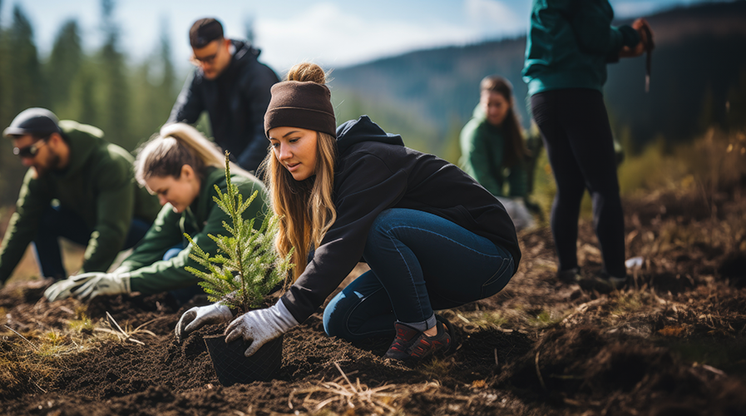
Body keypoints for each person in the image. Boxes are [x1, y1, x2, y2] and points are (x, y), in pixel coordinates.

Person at [176, 63, 521, 364]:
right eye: (276, 143)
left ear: (322, 135)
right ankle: (436, 331)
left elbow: (338, 247)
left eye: (293, 139)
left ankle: (422, 330)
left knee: (380, 227)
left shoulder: (368, 162)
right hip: (433, 266)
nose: (283, 154)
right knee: (339, 320)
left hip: (487, 256)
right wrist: (232, 303)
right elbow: (297, 253)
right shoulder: (311, 179)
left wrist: (279, 318)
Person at [42, 123, 268, 304]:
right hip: (233, 279)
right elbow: (150, 246)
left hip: (263, 282)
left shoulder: (234, 190)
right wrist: (115, 277)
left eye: (164, 191)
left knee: (172, 257)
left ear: (186, 173)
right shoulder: (184, 202)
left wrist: (126, 284)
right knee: (168, 255)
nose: (162, 201)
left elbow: (197, 260)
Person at [0, 108, 160, 306]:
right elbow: (22, 225)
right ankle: (54, 286)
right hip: (95, 226)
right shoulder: (39, 173)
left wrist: (79, 281)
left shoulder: (110, 163)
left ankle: (77, 287)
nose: (26, 161)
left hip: (140, 233)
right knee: (40, 217)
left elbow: (112, 230)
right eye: (19, 153)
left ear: (54, 140)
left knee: (114, 235)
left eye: (30, 151)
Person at [523, 0, 653, 292]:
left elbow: (570, 41)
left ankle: (568, 269)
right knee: (603, 186)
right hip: (578, 93)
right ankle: (615, 275)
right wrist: (632, 37)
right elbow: (594, 36)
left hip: (542, 96)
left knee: (568, 187)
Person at [167, 17, 279, 172]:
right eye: (198, 60)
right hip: (229, 170)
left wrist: (236, 175)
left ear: (226, 44)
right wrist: (165, 145)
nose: (204, 66)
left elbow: (267, 134)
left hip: (265, 176)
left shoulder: (258, 76)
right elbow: (179, 121)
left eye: (210, 58)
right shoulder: (201, 77)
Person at [459, 75, 535, 231]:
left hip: (498, 197)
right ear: (481, 103)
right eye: (488, 104)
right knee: (509, 214)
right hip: (476, 196)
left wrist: (518, 199)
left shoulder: (512, 131)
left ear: (509, 103)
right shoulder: (474, 133)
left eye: (498, 104)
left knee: (526, 221)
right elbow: (481, 177)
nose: (493, 110)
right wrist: (505, 203)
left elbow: (518, 169)